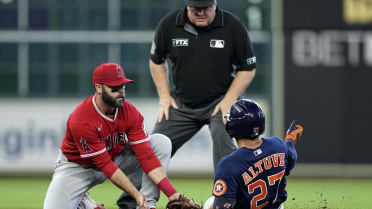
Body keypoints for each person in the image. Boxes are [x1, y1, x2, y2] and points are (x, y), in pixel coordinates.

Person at [43, 62, 187, 209]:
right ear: (98, 88)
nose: (121, 91)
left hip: (116, 159)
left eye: (123, 86)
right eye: (115, 88)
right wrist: (136, 195)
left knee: (160, 142)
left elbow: (146, 156)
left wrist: (172, 193)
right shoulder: (81, 120)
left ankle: (148, 205)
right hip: (77, 168)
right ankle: (87, 203)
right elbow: (106, 166)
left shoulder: (130, 112)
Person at [149, 0, 257, 169]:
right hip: (181, 104)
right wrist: (164, 96)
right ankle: (135, 196)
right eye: (195, 8)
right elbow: (156, 61)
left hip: (220, 101)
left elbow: (248, 68)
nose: (200, 13)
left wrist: (229, 99)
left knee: (225, 147)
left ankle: (227, 194)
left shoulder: (232, 25)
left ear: (214, 4)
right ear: (187, 5)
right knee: (152, 149)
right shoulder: (169, 24)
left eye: (205, 8)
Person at [204, 99, 303, 209]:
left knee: (210, 203)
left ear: (232, 127)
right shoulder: (278, 145)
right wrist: (290, 139)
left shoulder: (228, 164)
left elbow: (221, 207)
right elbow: (291, 156)